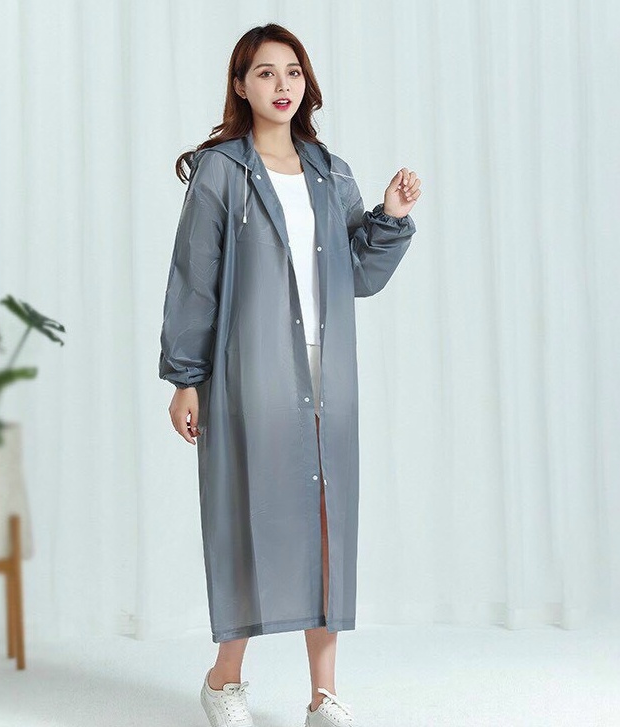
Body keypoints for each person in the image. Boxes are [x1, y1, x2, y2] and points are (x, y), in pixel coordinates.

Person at [159, 22, 421, 727]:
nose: (282, 86)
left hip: (327, 379)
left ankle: (322, 695)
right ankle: (225, 681)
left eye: (293, 72)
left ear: (307, 83)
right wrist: (185, 377)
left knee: (327, 526)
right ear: (240, 85)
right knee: (245, 516)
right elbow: (194, 278)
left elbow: (356, 274)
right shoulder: (222, 171)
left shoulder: (331, 172)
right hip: (250, 375)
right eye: (266, 73)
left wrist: (391, 218)